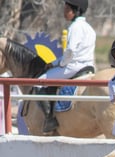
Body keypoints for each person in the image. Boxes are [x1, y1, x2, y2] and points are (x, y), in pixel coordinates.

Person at [35, 0, 96, 133]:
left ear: (75, 11)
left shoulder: (75, 27)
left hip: (74, 67)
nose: (64, 11)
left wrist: (61, 65)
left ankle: (49, 119)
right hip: (89, 66)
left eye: (67, 8)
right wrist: (55, 63)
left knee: (39, 83)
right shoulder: (89, 28)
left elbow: (70, 51)